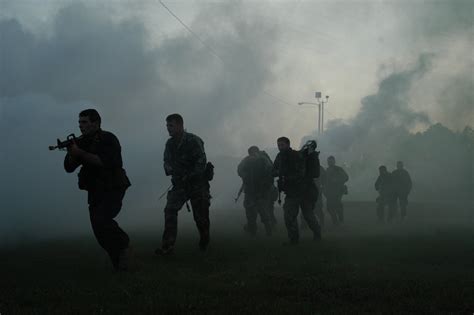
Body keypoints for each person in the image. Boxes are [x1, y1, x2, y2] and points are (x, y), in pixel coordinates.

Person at [64, 109, 131, 271]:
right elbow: (68, 168)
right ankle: (119, 262)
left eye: (85, 122)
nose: (81, 126)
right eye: (79, 123)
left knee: (103, 220)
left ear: (96, 123)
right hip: (95, 190)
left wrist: (79, 152)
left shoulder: (108, 139)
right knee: (98, 229)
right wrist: (72, 154)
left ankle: (124, 246)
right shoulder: (81, 142)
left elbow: (103, 162)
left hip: (113, 187)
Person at [157, 114, 211, 255]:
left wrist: (189, 176)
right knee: (170, 210)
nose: (168, 129)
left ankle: (204, 240)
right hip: (180, 185)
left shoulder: (193, 140)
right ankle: (167, 246)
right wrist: (168, 167)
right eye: (167, 126)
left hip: (197, 185)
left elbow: (201, 162)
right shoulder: (170, 144)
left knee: (200, 218)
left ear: (180, 125)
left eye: (171, 125)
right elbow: (166, 160)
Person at [273, 137, 321, 244]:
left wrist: (287, 176)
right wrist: (279, 173)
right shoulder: (280, 157)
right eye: (278, 145)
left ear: (288, 144)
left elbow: (301, 173)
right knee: (289, 216)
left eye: (282, 145)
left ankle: (317, 233)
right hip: (291, 192)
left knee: (308, 216)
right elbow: (274, 170)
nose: (280, 147)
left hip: (304, 191)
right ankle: (294, 240)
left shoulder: (296, 156)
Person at [237, 146, 274, 236]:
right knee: (257, 211)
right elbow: (240, 171)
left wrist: (246, 177)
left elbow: (240, 171)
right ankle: (260, 231)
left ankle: (259, 231)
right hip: (257, 189)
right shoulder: (263, 159)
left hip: (259, 190)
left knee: (255, 211)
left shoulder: (254, 160)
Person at [324, 156, 349, 225]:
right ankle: (335, 220)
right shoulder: (327, 170)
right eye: (329, 161)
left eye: (331, 161)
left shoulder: (338, 169)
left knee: (337, 205)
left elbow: (346, 177)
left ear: (334, 162)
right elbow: (325, 181)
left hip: (338, 190)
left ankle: (340, 219)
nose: (330, 162)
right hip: (329, 191)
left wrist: (337, 180)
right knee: (329, 207)